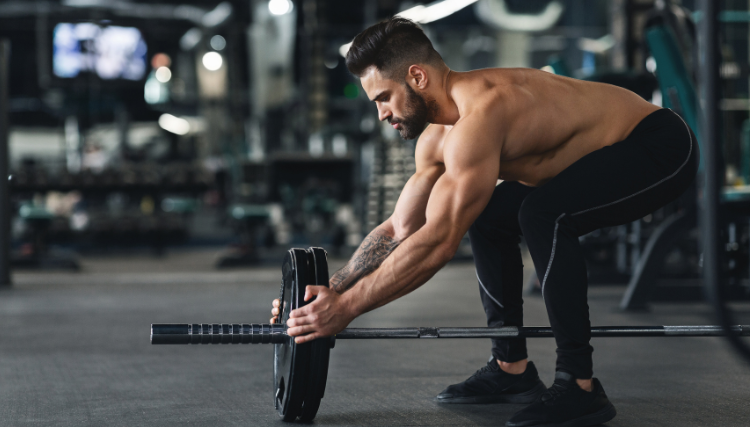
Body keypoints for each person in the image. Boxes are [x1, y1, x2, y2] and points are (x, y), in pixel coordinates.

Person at [271, 17, 698, 427]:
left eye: (384, 97)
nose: (381, 113)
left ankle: (580, 386)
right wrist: (328, 295)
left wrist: (346, 310)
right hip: (593, 161)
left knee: (542, 213)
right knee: (492, 214)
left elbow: (438, 242)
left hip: (656, 144)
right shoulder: (437, 137)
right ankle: (511, 368)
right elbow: (399, 228)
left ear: (417, 77)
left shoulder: (485, 111)